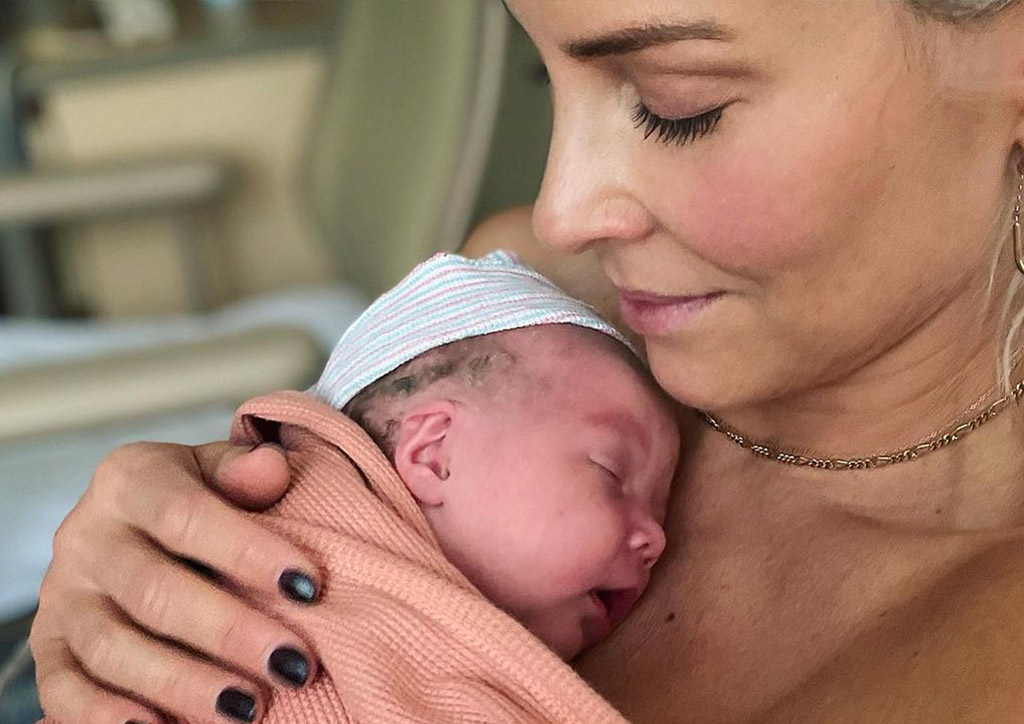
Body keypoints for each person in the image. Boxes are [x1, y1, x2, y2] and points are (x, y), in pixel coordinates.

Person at [28, 0, 1024, 721]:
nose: (560, 212)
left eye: (676, 104)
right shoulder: (528, 315)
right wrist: (156, 574)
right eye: (551, 81)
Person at [37, 250, 678, 723]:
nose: (656, 539)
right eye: (611, 474)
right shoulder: (313, 557)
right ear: (433, 454)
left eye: (661, 503)